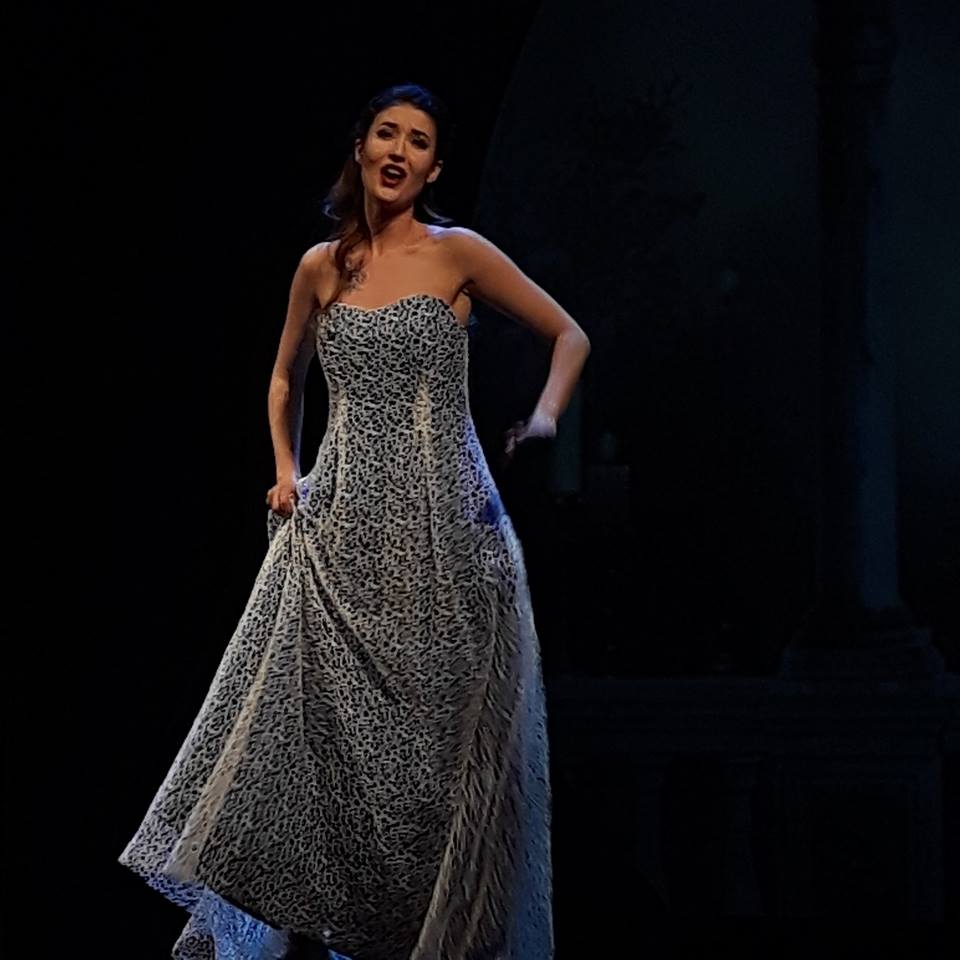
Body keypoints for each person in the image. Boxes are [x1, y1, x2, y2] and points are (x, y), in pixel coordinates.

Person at [118, 81, 591, 960]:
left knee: (436, 762)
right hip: (342, 534)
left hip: (446, 533)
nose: (399, 150)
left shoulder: (458, 253)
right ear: (363, 148)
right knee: (325, 750)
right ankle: (348, 934)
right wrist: (286, 470)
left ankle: (434, 938)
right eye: (387, 133)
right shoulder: (320, 265)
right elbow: (284, 377)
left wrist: (545, 418)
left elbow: (570, 334)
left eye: (418, 141)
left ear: (433, 168)